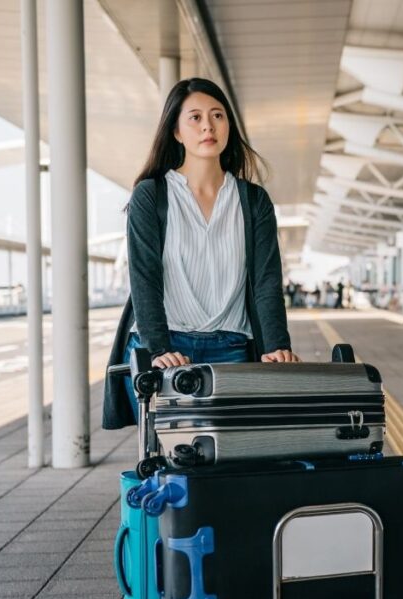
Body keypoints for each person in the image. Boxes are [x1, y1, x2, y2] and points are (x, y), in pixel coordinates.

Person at [103, 78, 299, 429]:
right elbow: (144, 278)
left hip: (233, 350)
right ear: (176, 131)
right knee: (170, 465)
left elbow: (267, 281)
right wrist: (159, 350)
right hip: (168, 351)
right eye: (194, 117)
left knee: (230, 466)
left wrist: (277, 345)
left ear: (229, 126)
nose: (208, 125)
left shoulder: (253, 202)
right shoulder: (152, 196)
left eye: (218, 115)